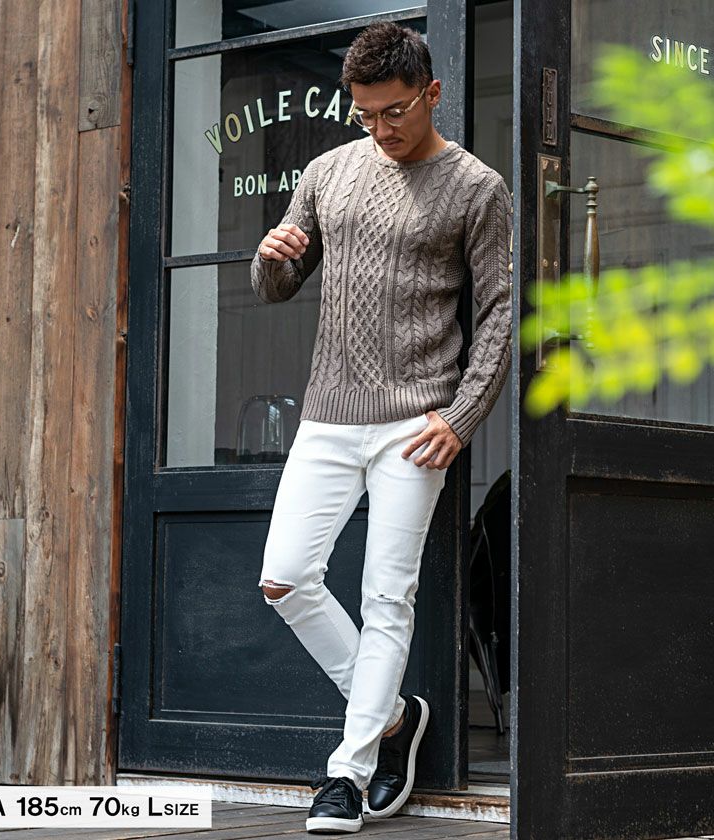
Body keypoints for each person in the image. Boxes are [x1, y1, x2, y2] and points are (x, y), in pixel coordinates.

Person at [250, 20, 513, 834]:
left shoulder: (477, 188)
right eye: (365, 114)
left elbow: (500, 314)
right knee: (285, 578)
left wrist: (463, 416)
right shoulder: (328, 172)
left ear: (430, 93)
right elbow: (278, 286)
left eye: (394, 111)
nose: (381, 128)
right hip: (329, 414)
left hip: (415, 422)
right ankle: (395, 717)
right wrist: (271, 256)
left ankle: (349, 773)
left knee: (386, 595)